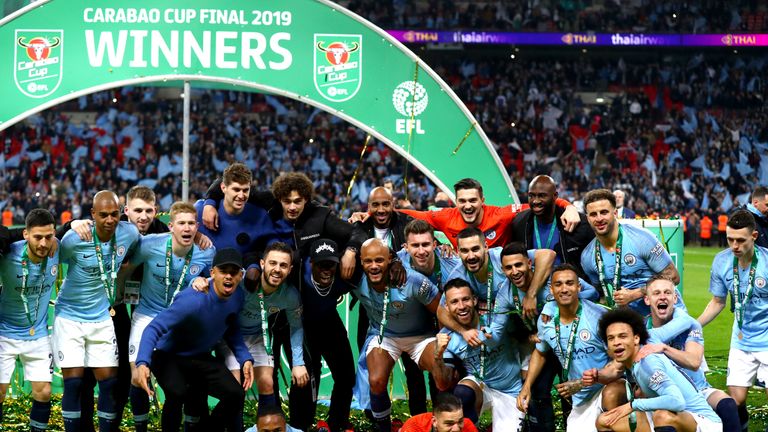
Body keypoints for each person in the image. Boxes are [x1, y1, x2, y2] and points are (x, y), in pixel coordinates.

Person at [203, 171, 367, 430]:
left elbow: (358, 232)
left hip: (318, 312)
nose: (292, 206)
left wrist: (351, 250)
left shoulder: (320, 216)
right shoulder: (268, 205)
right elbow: (224, 185)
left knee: (345, 373)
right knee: (296, 376)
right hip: (281, 314)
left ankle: (336, 424)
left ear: (306, 200)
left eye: (298, 201)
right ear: (278, 198)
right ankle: (288, 426)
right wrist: (209, 203)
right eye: (287, 201)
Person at [134, 248, 254, 432]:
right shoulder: (193, 299)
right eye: (223, 271)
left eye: (234, 272)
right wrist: (143, 362)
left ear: (241, 275)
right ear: (213, 273)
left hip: (200, 356)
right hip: (168, 355)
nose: (228, 276)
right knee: (177, 393)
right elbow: (154, 328)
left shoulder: (238, 296)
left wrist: (244, 358)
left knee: (236, 395)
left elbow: (231, 326)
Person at [122, 201, 216, 432]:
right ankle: (141, 428)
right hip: (146, 315)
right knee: (137, 376)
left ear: (197, 227)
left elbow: (214, 281)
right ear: (170, 226)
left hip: (180, 319)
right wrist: (114, 297)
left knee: (186, 380)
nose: (187, 229)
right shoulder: (148, 244)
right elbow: (125, 269)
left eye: (191, 224)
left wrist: (203, 282)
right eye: (181, 223)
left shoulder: (207, 251)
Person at [53, 191, 140, 432]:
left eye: (114, 214)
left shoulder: (129, 233)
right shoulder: (75, 238)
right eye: (103, 215)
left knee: (110, 383)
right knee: (73, 384)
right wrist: (70, 223)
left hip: (102, 316)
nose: (110, 220)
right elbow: (51, 249)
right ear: (93, 214)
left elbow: (146, 245)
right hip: (70, 316)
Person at [349, 190, 438, 418]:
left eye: (385, 204)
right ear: (368, 205)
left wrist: (398, 260)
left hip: (409, 302)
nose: (380, 209)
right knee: (372, 362)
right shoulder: (360, 226)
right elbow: (353, 243)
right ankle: (375, 415)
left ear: (393, 204)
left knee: (415, 368)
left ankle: (421, 414)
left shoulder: (406, 223)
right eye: (375, 205)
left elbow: (426, 239)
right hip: (373, 306)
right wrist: (350, 252)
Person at [518, 264, 622, 432]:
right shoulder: (547, 321)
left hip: (606, 387)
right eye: (558, 284)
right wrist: (527, 387)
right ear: (551, 290)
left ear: (578, 287)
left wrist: (584, 381)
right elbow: (540, 351)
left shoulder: (599, 318)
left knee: (612, 394)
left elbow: (620, 362)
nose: (564, 289)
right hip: (581, 400)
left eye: (569, 283)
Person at [355, 238, 441, 432]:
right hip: (385, 335)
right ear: (361, 261)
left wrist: (445, 338)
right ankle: (383, 427)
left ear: (390, 260)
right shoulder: (354, 278)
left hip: (421, 336)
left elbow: (441, 309)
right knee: (376, 380)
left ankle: (441, 422)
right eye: (368, 261)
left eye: (379, 260)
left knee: (441, 374)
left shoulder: (411, 279)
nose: (374, 266)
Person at [698, 209, 768, 432]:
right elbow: (718, 301)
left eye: (740, 240)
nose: (734, 246)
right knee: (735, 401)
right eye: (730, 239)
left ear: (754, 237)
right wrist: (694, 326)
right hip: (741, 339)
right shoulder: (722, 261)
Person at [219, 243, 309, 417]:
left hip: (258, 336)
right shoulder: (242, 281)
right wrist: (197, 281)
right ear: (262, 264)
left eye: (283, 265)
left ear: (290, 270)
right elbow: (215, 282)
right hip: (230, 336)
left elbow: (296, 326)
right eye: (272, 263)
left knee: (267, 383)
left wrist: (298, 363)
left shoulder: (290, 296)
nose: (277, 269)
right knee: (236, 387)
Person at [640, 275, 740, 432]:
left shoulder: (690, 324)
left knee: (727, 405)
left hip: (698, 389)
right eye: (657, 293)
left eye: (667, 292)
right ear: (647, 299)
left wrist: (665, 349)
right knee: (662, 416)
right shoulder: (641, 330)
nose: (662, 297)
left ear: (675, 297)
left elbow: (694, 363)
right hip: (664, 394)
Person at [597, 308, 722, 432]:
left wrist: (632, 405)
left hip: (703, 422)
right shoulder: (633, 362)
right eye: (611, 338)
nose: (616, 342)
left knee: (663, 416)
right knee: (604, 421)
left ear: (636, 338)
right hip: (673, 415)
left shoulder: (648, 363)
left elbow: (677, 401)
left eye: (622, 336)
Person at [431, 278, 525, 430]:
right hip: (481, 387)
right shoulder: (447, 337)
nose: (461, 306)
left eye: (466, 299)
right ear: (446, 307)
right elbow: (442, 384)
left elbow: (524, 339)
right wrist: (437, 355)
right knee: (463, 392)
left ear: (474, 300)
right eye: (454, 302)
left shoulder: (495, 320)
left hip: (511, 390)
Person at [398, 178, 582, 249]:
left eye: (472, 200)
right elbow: (411, 214)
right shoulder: (445, 217)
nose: (467, 206)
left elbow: (537, 203)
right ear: (456, 202)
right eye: (462, 201)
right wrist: (377, 212)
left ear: (482, 201)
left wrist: (569, 206)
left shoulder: (501, 215)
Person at [0, 209, 59, 431]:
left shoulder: (58, 248)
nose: (44, 243)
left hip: (38, 333)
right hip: (4, 332)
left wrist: (74, 224)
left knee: (43, 391)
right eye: (37, 237)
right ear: (25, 234)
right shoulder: (8, 254)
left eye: (48, 237)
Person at [580, 189, 681, 314]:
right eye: (593, 214)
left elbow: (674, 276)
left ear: (615, 213)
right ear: (587, 218)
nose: (599, 218)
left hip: (665, 315)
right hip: (629, 323)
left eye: (604, 212)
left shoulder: (641, 239)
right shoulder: (587, 257)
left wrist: (636, 294)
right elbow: (601, 294)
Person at [301, 239, 355, 432]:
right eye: (321, 265)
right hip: (303, 327)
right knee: (306, 379)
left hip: (330, 322)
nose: (326, 270)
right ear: (311, 264)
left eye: (330, 265)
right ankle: (301, 425)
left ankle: (337, 424)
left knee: (347, 376)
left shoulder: (344, 275)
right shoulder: (298, 276)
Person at [510, 175, 595, 279]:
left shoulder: (578, 223)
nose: (535, 201)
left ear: (555, 196)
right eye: (531, 195)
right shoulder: (519, 223)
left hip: (568, 288)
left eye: (542, 196)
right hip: (535, 286)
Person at [401, 392, 478, 432]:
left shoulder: (467, 425)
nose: (456, 429)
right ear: (434, 421)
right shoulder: (414, 427)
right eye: (449, 423)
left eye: (460, 421)